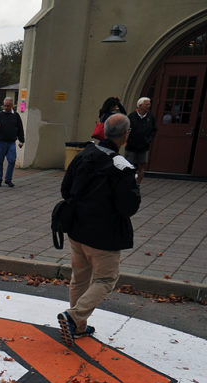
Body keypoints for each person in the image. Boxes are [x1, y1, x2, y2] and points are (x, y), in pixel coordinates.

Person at [57, 113, 141, 346]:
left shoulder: (84, 154)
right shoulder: (122, 167)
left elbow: (65, 189)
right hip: (104, 234)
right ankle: (74, 318)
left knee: (80, 278)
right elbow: (128, 207)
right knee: (105, 279)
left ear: (104, 131)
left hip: (76, 229)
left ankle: (79, 326)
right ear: (125, 135)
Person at [0, 96, 25, 187]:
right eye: (4, 105)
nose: (6, 107)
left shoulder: (16, 115)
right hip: (0, 142)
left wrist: (21, 141)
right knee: (0, 162)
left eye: (8, 106)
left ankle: (8, 179)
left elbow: (20, 129)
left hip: (11, 142)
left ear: (12, 105)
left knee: (12, 160)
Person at [125, 97, 157, 185]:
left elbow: (154, 130)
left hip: (144, 147)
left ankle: (138, 185)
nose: (149, 106)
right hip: (131, 147)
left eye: (149, 104)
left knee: (142, 167)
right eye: (146, 104)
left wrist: (148, 140)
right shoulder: (131, 116)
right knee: (128, 166)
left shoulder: (151, 117)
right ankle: (127, 184)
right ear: (140, 105)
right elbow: (126, 130)